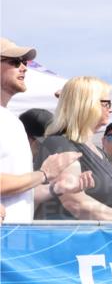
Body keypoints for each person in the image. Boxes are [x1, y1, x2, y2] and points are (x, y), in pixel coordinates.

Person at [34, 76, 112, 223]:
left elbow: (103, 197)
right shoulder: (60, 145)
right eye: (106, 103)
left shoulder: (97, 152)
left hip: (97, 240)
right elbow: (76, 203)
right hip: (71, 242)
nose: (111, 109)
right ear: (87, 105)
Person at [1, 38, 92, 222]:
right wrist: (43, 174)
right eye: (15, 62)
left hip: (15, 241)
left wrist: (57, 187)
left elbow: (18, 191)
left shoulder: (12, 121)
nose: (24, 68)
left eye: (24, 62)